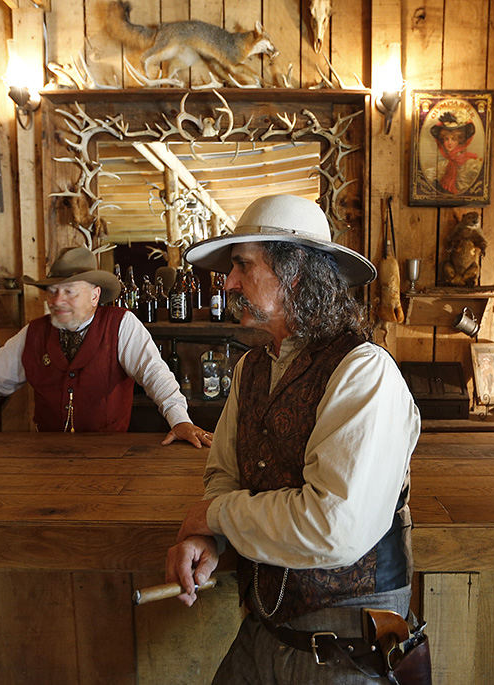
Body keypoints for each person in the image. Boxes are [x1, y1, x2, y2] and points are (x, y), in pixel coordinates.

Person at [165, 195, 421, 682]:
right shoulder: (251, 368)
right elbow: (223, 474)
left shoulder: (364, 372)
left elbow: (333, 527)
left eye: (242, 265)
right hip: (264, 632)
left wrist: (212, 516)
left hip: (346, 651)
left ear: (295, 273)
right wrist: (209, 537)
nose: (229, 282)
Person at [0, 246, 212, 449]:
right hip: (45, 456)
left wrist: (180, 420)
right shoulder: (32, 334)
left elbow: (156, 376)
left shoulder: (121, 325)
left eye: (69, 291)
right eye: (52, 291)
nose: (57, 300)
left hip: (110, 456)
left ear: (94, 295)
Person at [429, 111, 482, 195]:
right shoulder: (442, 165)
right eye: (446, 139)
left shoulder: (471, 164)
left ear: (459, 141)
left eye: (453, 139)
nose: (449, 143)